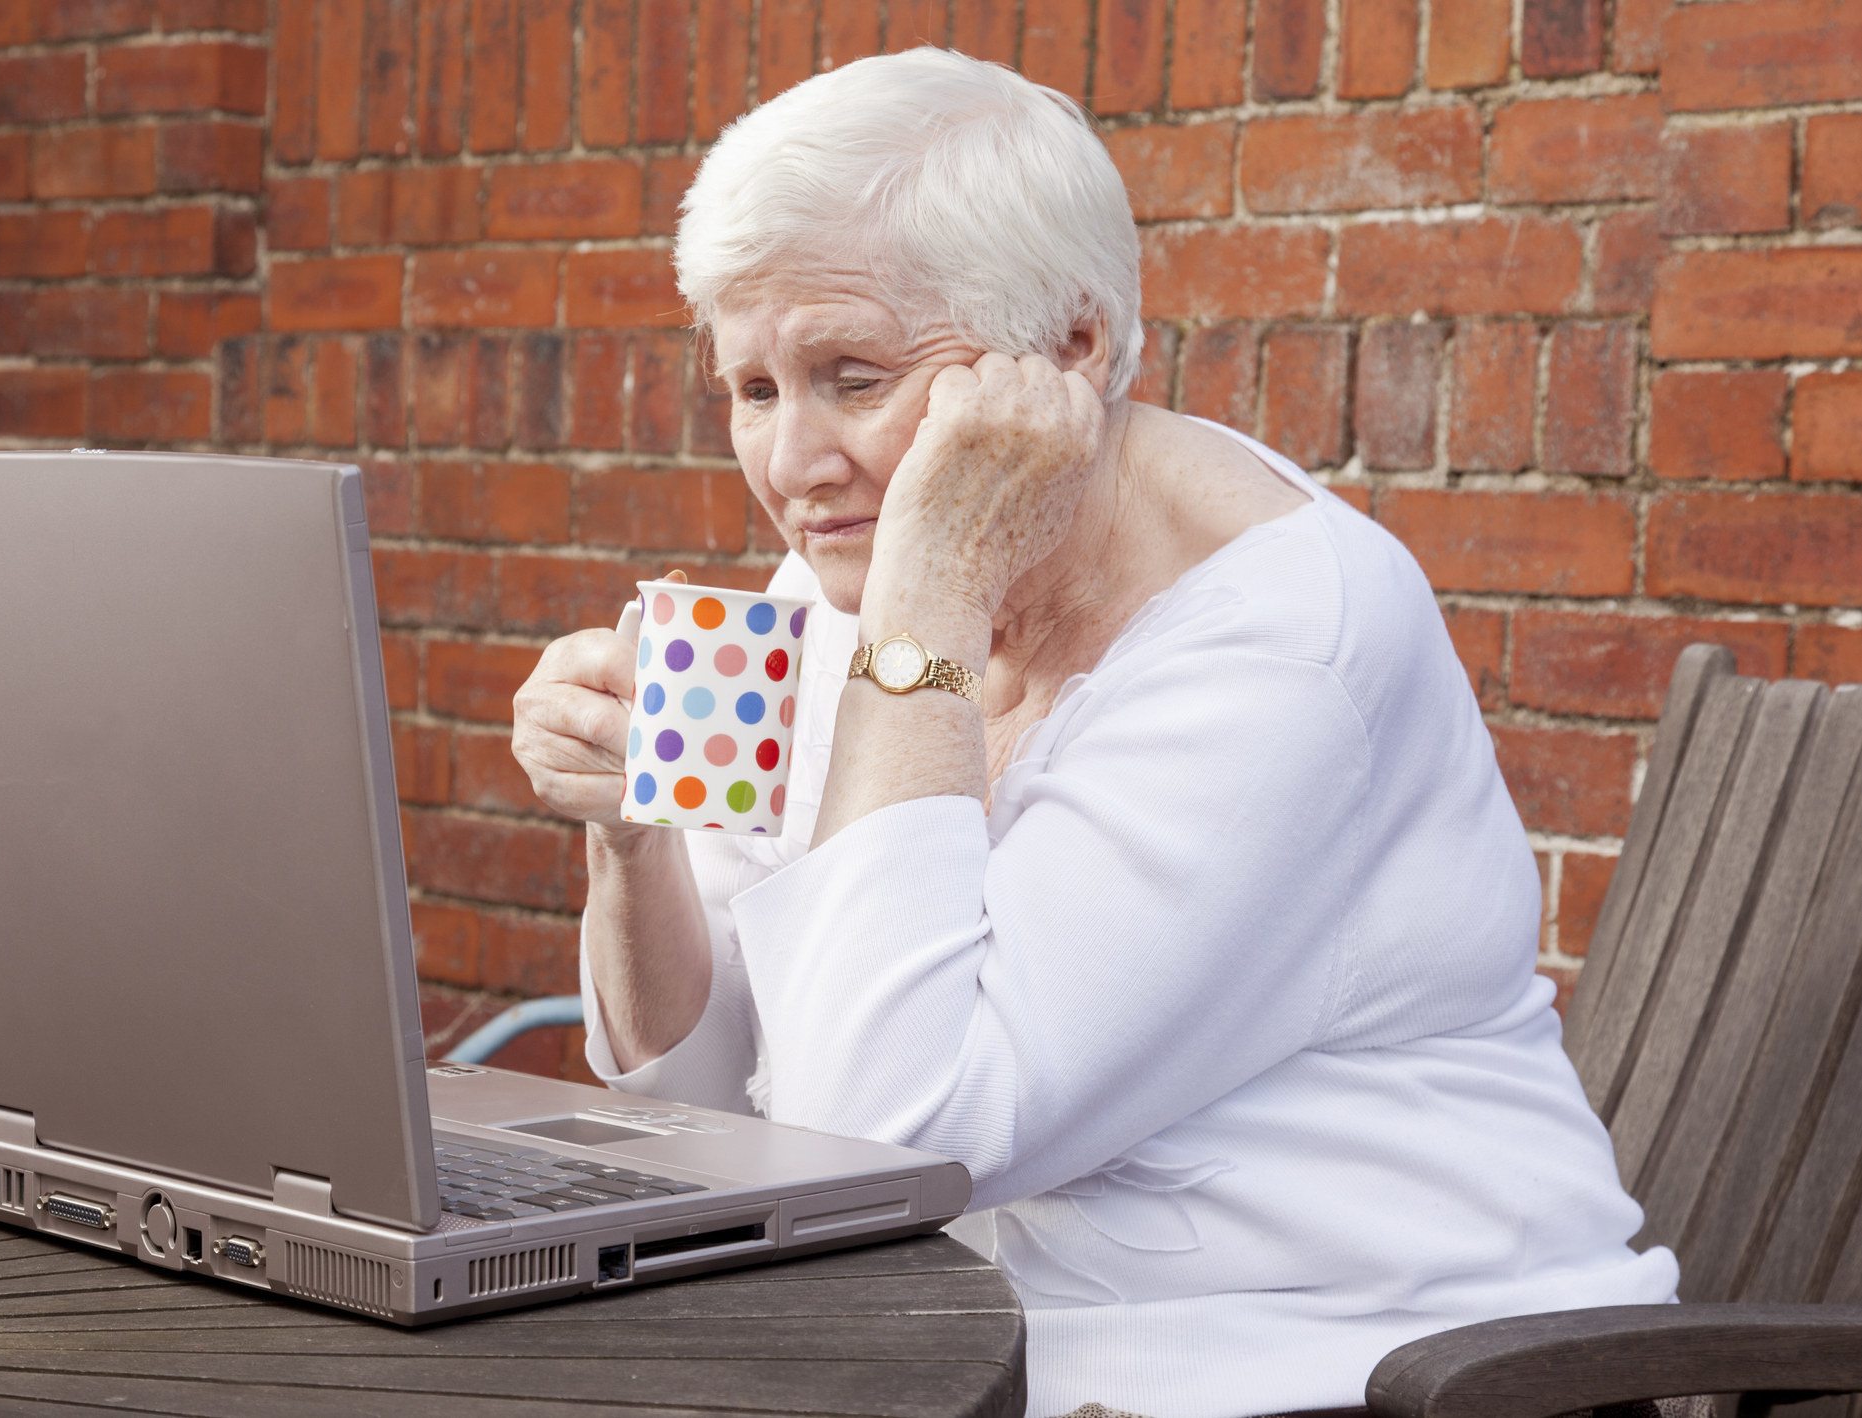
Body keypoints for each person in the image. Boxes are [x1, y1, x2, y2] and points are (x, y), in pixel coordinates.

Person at [508, 46, 1677, 1418]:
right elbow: (699, 1098)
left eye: (852, 374)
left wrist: (930, 592)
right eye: (754, 389)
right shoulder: (843, 601)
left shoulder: (1279, 643)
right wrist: (627, 839)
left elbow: (883, 1139)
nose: (790, 464)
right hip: (1001, 1360)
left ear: (1069, 353)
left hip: (1369, 1369)